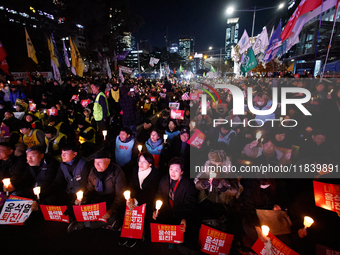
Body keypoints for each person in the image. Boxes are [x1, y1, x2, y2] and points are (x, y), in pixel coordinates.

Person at [67, 150, 126, 232]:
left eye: (100, 162)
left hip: (112, 201)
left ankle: (84, 224)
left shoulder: (117, 172)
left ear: (108, 161)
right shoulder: (93, 172)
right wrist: (83, 199)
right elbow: (90, 190)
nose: (97, 165)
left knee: (112, 217)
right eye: (95, 162)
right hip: (98, 200)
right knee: (81, 207)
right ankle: (82, 220)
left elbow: (120, 195)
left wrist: (111, 210)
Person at [152, 157, 199, 250]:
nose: (173, 173)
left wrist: (184, 218)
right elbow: (159, 195)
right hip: (167, 211)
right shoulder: (164, 180)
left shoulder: (187, 184)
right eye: (171, 169)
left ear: (182, 172)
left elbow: (189, 203)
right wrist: (156, 209)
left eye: (176, 170)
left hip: (180, 213)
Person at [121, 152, 161, 248]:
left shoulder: (155, 174)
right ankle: (126, 232)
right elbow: (131, 185)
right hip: (135, 197)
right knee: (128, 209)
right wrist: (130, 198)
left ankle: (137, 234)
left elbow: (151, 192)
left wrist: (136, 200)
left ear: (150, 164)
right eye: (140, 161)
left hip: (148, 200)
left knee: (142, 217)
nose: (141, 164)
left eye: (144, 162)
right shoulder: (135, 170)